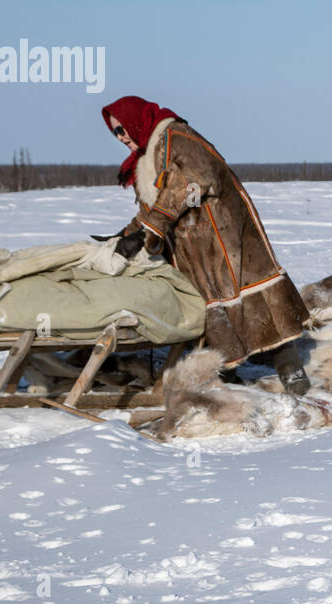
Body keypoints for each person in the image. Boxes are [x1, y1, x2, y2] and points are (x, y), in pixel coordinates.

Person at [100, 95, 311, 393]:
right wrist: (127, 235)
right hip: (194, 246)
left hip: (223, 236)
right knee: (214, 308)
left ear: (138, 121)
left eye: (122, 129)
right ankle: (227, 375)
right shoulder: (148, 156)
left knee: (255, 298)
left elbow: (197, 179)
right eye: (115, 132)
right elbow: (155, 204)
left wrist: (155, 225)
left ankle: (293, 373)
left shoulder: (177, 136)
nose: (121, 137)